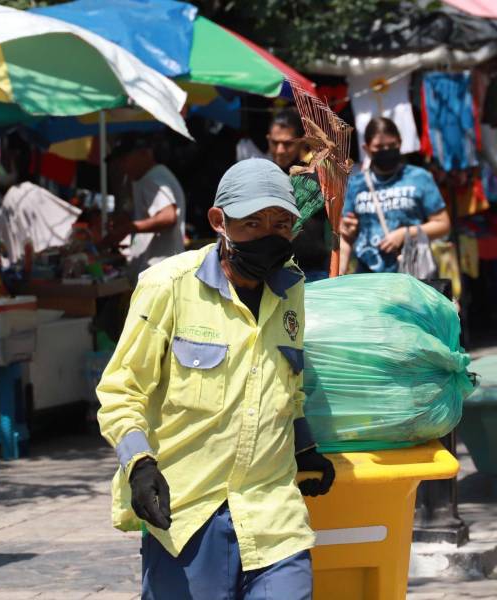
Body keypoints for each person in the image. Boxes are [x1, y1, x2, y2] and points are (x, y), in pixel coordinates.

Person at [97, 158, 335, 600]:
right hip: (188, 512)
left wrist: (304, 446)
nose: (267, 235)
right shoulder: (168, 286)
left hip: (273, 513)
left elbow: (289, 385)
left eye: (280, 225)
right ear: (218, 221)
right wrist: (140, 465)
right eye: (252, 223)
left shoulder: (291, 290)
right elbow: (121, 390)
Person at [340, 117, 451, 274]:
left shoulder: (419, 177)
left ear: (400, 143)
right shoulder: (356, 184)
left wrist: (405, 234)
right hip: (368, 277)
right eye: (379, 147)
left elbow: (442, 224)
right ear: (366, 148)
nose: (386, 150)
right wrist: (339, 273)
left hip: (411, 274)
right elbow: (345, 236)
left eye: (392, 145)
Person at [104, 133, 186, 280]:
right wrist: (122, 222)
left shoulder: (154, 177)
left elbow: (168, 217)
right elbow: (138, 214)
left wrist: (128, 228)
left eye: (124, 159)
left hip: (161, 272)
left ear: (144, 154)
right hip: (154, 271)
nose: (121, 166)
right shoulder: (142, 179)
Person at [266, 108, 331, 282]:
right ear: (268, 139)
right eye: (275, 143)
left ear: (302, 142)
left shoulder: (319, 176)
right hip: (272, 271)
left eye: (287, 144)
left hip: (314, 272)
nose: (280, 150)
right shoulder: (262, 177)